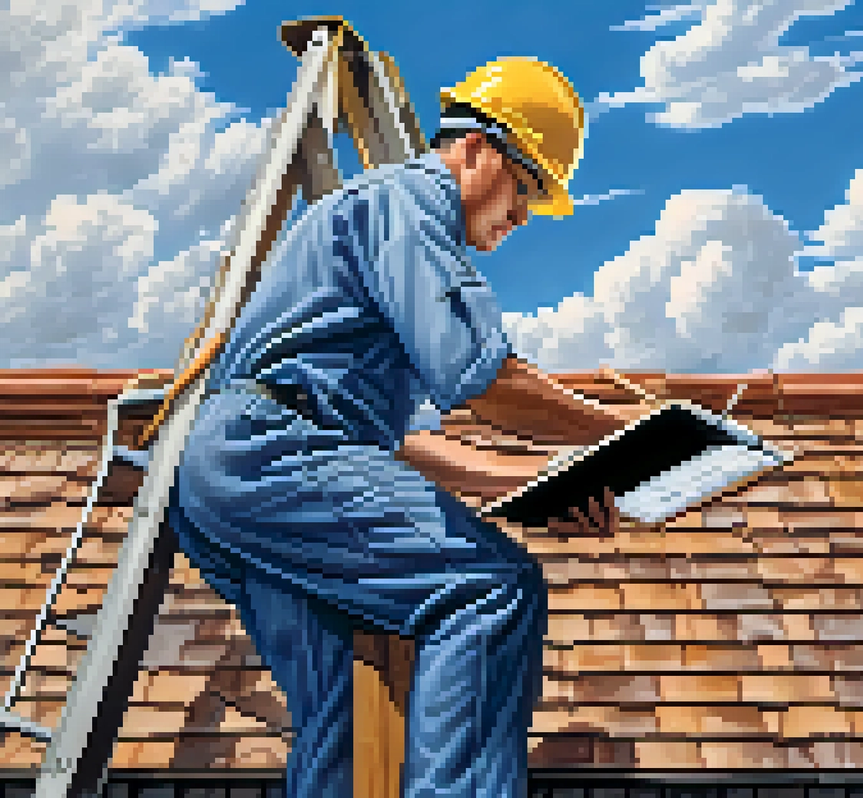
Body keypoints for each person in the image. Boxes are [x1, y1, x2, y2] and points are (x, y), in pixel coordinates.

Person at [167, 57, 626, 798]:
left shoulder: (382, 243)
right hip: (278, 453)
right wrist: (625, 431)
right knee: (490, 589)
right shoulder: (410, 206)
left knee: (342, 717)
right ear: (476, 148)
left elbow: (410, 443)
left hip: (231, 477)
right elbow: (487, 381)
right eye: (526, 188)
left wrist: (541, 480)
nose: (521, 218)